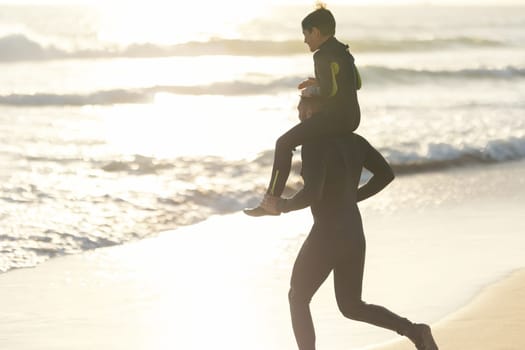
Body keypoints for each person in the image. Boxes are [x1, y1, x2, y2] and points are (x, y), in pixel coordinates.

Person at [273, 96, 439, 350]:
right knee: (352, 306)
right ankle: (415, 331)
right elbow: (386, 174)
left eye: (303, 106)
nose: (299, 113)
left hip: (328, 233)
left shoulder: (314, 143)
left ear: (317, 108)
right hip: (353, 230)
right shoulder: (355, 141)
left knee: (298, 297)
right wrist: (352, 198)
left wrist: (281, 206)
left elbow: (312, 193)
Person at [244, 4, 361, 217]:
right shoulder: (344, 51)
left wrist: (312, 90)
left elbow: (329, 91)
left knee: (284, 143)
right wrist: (322, 80)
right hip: (352, 118)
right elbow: (356, 83)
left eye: (306, 34)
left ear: (315, 32)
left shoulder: (321, 55)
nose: (305, 40)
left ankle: (270, 201)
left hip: (334, 119)